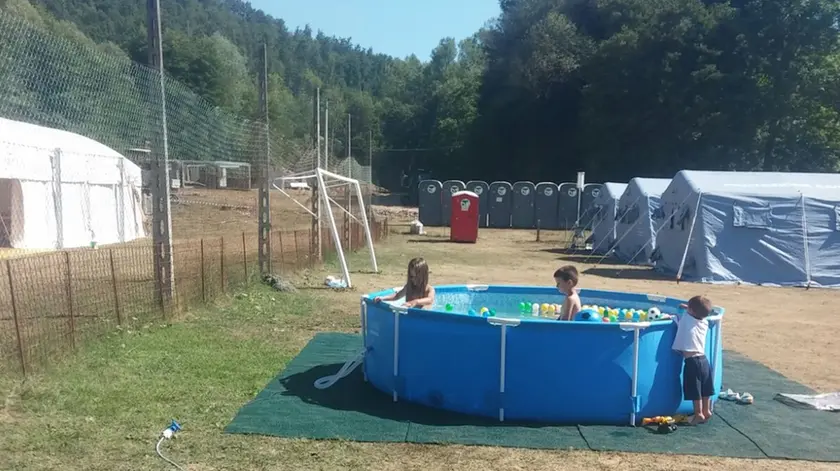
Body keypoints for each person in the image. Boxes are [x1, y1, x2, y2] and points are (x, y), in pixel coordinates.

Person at [666, 295, 715, 425]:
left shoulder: (686, 319)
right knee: (705, 388)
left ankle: (698, 414)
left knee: (695, 390)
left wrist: (681, 309)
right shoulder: (704, 321)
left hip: (692, 362)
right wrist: (689, 306)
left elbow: (680, 314)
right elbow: (695, 311)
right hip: (704, 360)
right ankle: (706, 410)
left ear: (691, 311)